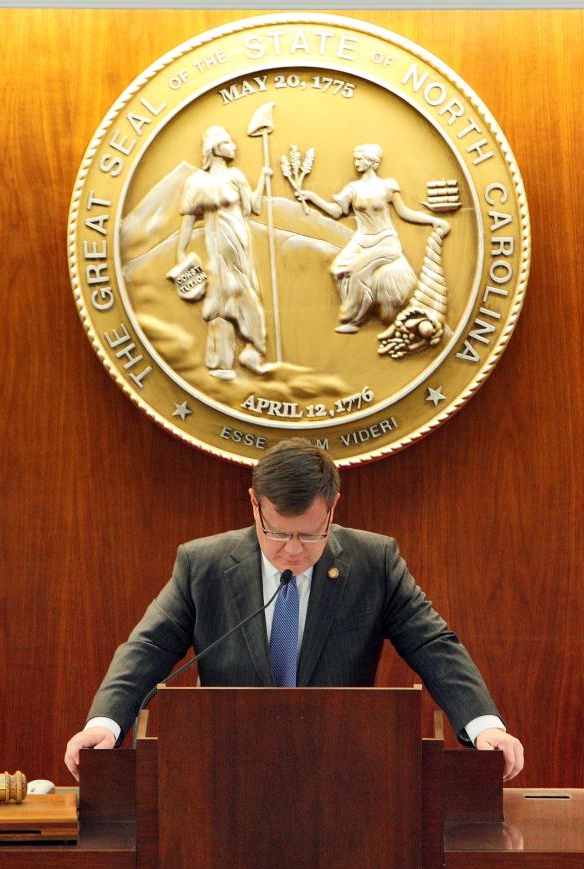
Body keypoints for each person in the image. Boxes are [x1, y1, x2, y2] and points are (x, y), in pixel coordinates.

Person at [63, 438, 524, 780]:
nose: (294, 551)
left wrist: (484, 726)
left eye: (311, 533)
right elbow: (148, 647)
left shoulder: (373, 562)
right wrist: (105, 723)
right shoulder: (202, 565)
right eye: (279, 533)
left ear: (333, 508)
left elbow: (432, 644)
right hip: (227, 775)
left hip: (342, 773)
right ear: (254, 505)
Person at [295, 143, 448, 334]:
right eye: (355, 158)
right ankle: (361, 309)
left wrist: (432, 220)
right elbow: (336, 212)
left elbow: (404, 213)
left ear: (371, 162)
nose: (356, 162)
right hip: (362, 240)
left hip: (386, 240)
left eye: (360, 158)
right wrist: (312, 197)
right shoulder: (352, 188)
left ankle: (352, 319)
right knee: (337, 270)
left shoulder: (388, 186)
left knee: (357, 271)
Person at [175, 125, 273, 381]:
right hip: (215, 249)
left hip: (238, 245)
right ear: (217, 148)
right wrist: (180, 253)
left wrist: (263, 179)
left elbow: (252, 207)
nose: (234, 146)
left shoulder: (236, 176)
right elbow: (187, 221)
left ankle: (254, 350)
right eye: (229, 142)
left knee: (243, 293)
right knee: (219, 299)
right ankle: (221, 361)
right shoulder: (196, 182)